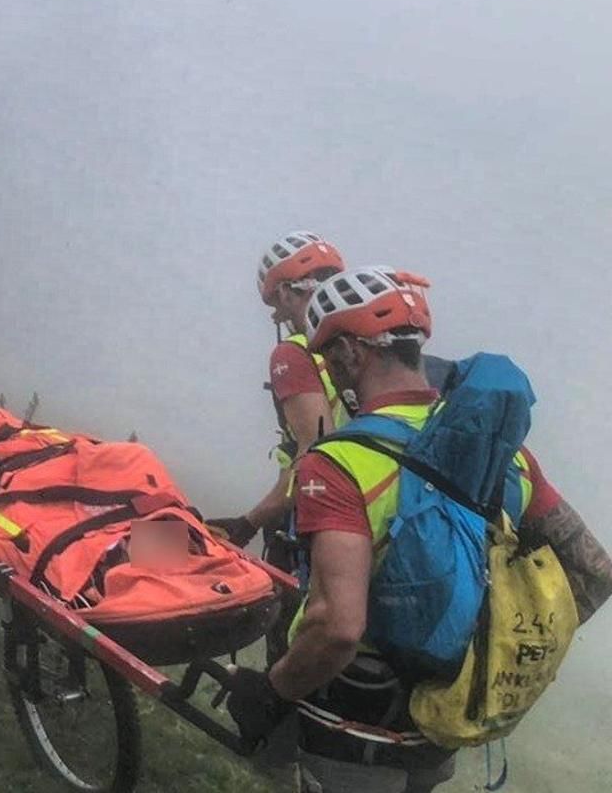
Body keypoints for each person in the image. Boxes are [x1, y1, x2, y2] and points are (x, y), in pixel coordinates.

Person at [223, 267, 612, 792]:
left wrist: (273, 691)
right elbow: (594, 571)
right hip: (441, 716)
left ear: (354, 353)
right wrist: (498, 643)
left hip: (352, 722)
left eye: (329, 354)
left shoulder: (337, 464)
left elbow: (337, 627)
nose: (330, 371)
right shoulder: (506, 457)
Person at [209, 233, 351, 573]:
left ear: (287, 291)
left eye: (275, 303)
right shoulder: (362, 347)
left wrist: (250, 521)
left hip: (326, 515)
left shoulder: (294, 353)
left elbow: (315, 456)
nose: (276, 316)